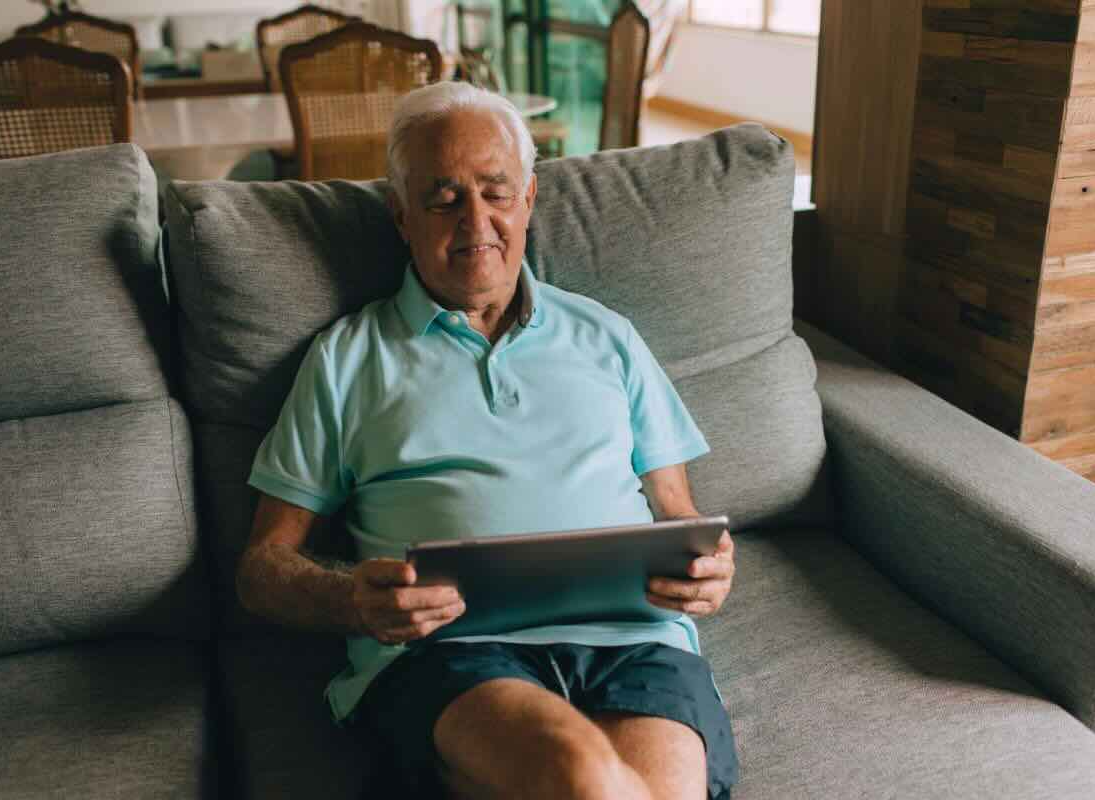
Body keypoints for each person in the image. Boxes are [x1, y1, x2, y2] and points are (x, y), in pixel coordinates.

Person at [236, 81, 739, 800]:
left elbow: (681, 514)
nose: (477, 220)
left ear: (529, 199)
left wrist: (709, 569)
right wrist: (352, 601)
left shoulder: (608, 336)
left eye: (495, 192)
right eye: (443, 198)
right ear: (401, 216)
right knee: (581, 776)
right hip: (453, 655)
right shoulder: (347, 358)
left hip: (636, 642)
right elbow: (261, 567)